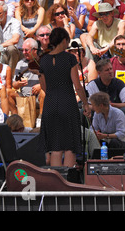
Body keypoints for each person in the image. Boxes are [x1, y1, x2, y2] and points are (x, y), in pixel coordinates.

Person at [39, 27, 91, 167]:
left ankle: (56, 182)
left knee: (55, 147)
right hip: (67, 103)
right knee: (69, 146)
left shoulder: (43, 60)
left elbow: (43, 87)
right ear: (63, 41)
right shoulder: (69, 58)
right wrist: (86, 104)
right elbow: (77, 85)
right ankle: (68, 180)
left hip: (50, 104)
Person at [0, 1, 24, 73]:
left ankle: (11, 77)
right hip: (1, 54)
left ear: (5, 13)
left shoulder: (15, 22)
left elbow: (15, 40)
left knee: (11, 48)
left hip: (16, 53)